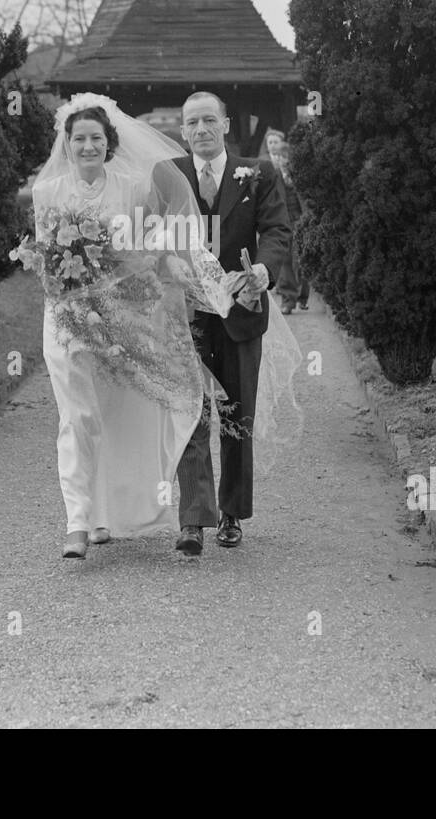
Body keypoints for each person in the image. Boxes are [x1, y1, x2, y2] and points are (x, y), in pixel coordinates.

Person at [24, 95, 232, 559]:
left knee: (113, 418)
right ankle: (76, 522)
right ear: (67, 142)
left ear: (109, 141)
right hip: (66, 319)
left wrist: (170, 262)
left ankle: (103, 516)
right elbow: (43, 260)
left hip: (118, 319)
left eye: (96, 138)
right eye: (79, 139)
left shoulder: (132, 188)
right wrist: (66, 279)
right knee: (76, 416)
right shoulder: (47, 192)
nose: (88, 146)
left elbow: (154, 239)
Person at [169, 91, 293, 555]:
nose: (200, 130)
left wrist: (262, 269)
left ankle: (232, 512)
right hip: (186, 315)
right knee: (191, 413)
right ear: (182, 132)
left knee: (236, 414)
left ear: (224, 124)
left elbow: (278, 230)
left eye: (208, 120)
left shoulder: (257, 172)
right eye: (192, 123)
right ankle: (192, 520)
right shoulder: (170, 176)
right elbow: (149, 231)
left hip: (241, 313)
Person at [270, 141, 311, 313]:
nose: (279, 159)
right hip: (283, 223)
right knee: (285, 262)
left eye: (282, 156)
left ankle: (303, 296)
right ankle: (288, 300)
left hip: (301, 222)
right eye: (277, 156)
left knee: (301, 261)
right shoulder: (273, 176)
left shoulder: (300, 175)